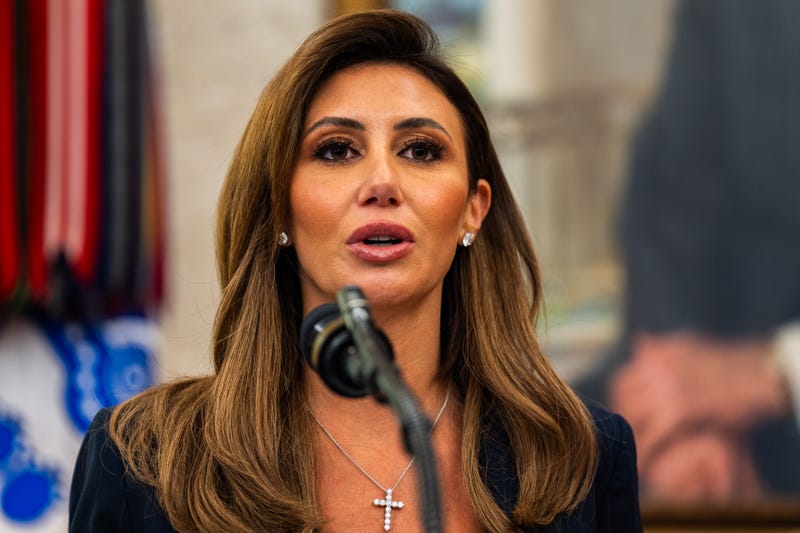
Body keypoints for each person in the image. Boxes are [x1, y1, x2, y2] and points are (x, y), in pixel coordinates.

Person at [69, 9, 641, 532]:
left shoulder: (580, 457)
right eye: (337, 150)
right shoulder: (142, 461)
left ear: (473, 209)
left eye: (420, 150)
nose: (382, 184)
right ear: (278, 209)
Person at [583, 0, 800, 503]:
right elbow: (671, 198)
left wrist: (777, 374)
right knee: (507, 446)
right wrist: (678, 417)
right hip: (700, 363)